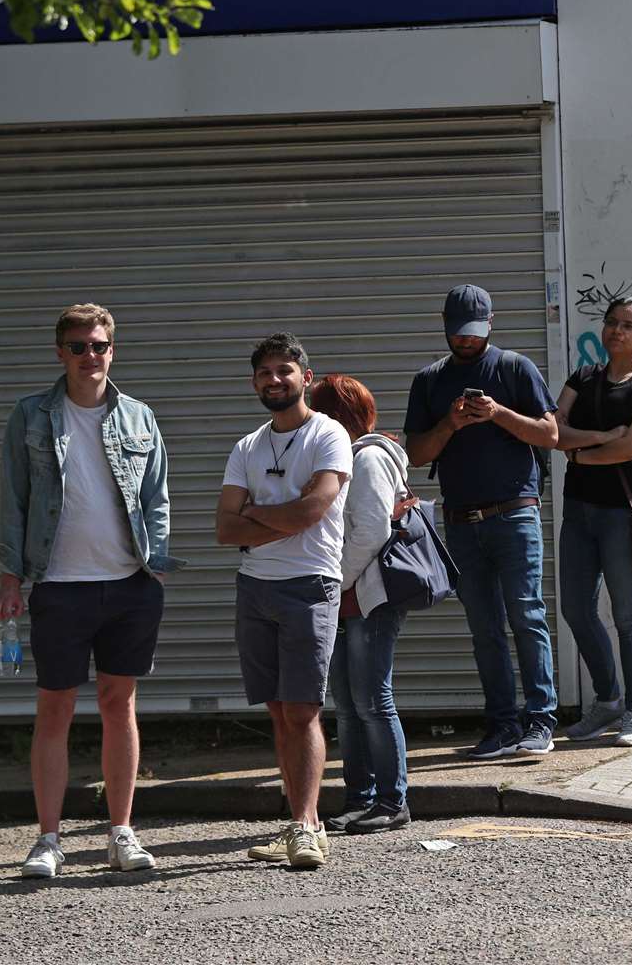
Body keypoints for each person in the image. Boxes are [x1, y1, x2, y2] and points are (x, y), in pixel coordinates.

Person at [0, 304, 181, 879]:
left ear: (111, 350)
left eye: (98, 345)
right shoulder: (30, 417)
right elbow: (15, 501)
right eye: (78, 346)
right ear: (60, 352)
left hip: (128, 585)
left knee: (118, 703)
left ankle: (120, 832)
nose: (89, 355)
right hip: (59, 585)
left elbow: (157, 497)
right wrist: (10, 579)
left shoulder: (139, 417)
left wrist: (155, 562)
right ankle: (48, 838)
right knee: (55, 708)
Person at [405, 285, 561, 759]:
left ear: (490, 324)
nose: (466, 341)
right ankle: (501, 725)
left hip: (514, 512)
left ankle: (541, 721)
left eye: (473, 333)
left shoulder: (515, 368)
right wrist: (450, 424)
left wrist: (498, 413)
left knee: (526, 615)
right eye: (458, 333)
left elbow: (551, 435)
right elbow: (415, 454)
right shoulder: (429, 380)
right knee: (484, 627)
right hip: (460, 519)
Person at [217, 333, 352, 869]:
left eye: (284, 370)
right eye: (264, 373)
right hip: (255, 587)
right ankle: (305, 821)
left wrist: (254, 518)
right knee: (277, 711)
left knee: (302, 710)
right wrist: (272, 519)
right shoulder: (247, 446)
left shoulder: (329, 434)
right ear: (255, 383)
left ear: (306, 378)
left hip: (308, 584)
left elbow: (313, 511)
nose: (275, 380)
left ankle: (303, 826)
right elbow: (224, 530)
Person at [555, 298, 632, 748]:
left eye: (627, 326)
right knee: (576, 610)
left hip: (625, 514)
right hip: (579, 509)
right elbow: (553, 430)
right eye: (611, 323)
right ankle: (607, 701)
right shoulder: (582, 378)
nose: (616, 331)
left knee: (628, 614)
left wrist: (580, 454)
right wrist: (603, 437)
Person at [309, 374, 414, 834]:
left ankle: (392, 802)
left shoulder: (369, 458)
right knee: (349, 705)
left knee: (373, 700)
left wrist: (337, 582)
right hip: (349, 597)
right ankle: (359, 798)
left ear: (337, 416)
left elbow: (373, 532)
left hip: (368, 597)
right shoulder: (346, 458)